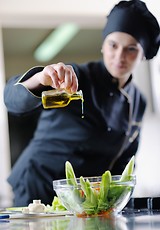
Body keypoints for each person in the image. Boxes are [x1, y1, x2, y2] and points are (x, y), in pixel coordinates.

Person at [4, 0, 160, 207]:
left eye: (131, 49)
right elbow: (12, 100)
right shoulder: (75, 77)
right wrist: (41, 79)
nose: (120, 56)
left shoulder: (138, 101)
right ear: (103, 45)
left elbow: (123, 162)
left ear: (142, 55)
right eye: (113, 45)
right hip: (38, 186)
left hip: (83, 198)